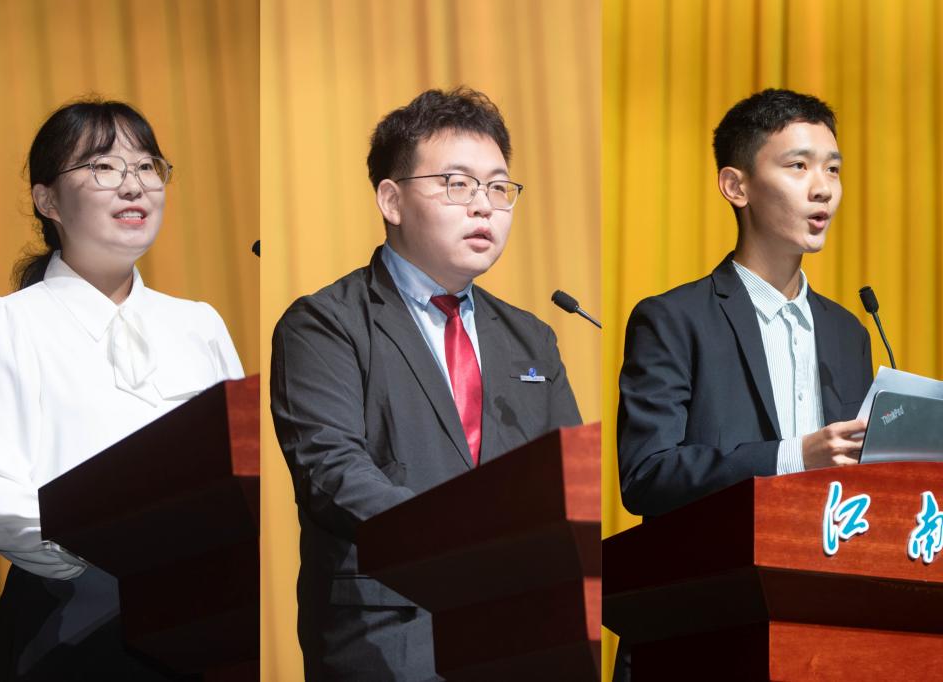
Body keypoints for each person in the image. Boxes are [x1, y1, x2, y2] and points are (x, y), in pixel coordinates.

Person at [270, 87, 582, 681]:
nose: (484, 206)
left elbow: (565, 479)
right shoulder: (325, 323)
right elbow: (331, 469)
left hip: (522, 631)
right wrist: (462, 544)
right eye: (457, 184)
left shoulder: (532, 337)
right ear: (392, 200)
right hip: (392, 629)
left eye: (498, 188)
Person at [0, 100, 244, 681]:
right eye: (104, 167)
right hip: (72, 616)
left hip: (204, 613)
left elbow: (239, 467)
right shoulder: (8, 322)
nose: (134, 185)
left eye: (147, 166)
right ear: (48, 200)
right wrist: (109, 551)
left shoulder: (199, 323)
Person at [613, 89, 874, 678]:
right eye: (798, 165)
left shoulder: (848, 333)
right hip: (702, 633)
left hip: (821, 632)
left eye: (833, 169)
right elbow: (647, 475)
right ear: (736, 186)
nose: (823, 188)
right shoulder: (673, 320)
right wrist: (793, 456)